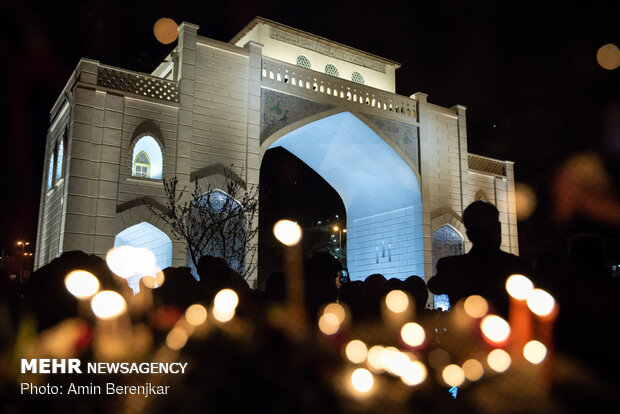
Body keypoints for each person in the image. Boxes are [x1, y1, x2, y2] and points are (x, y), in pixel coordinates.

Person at [427, 200, 533, 316]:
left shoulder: (451, 266)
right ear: (498, 228)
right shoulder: (518, 267)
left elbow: (434, 285)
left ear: (468, 235)